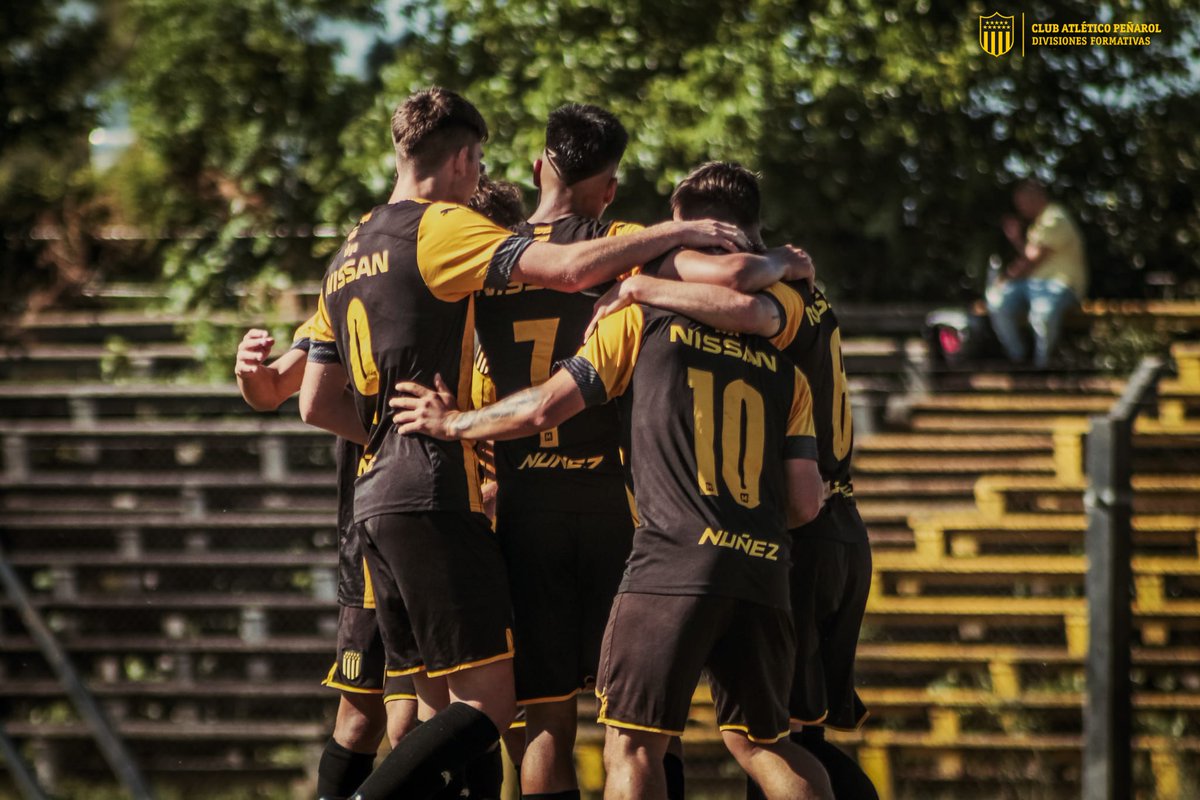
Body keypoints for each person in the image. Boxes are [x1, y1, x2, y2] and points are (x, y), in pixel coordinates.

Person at [297, 86, 750, 800]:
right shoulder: (512, 237)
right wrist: (688, 237)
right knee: (634, 729)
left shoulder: (357, 248)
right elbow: (600, 279)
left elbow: (310, 398)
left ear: (539, 166)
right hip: (601, 507)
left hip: (482, 504)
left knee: (509, 719)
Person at [389, 270, 833, 800]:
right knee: (765, 744)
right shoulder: (786, 366)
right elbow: (806, 503)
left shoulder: (639, 317)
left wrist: (452, 424)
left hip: (647, 554)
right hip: (759, 562)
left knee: (611, 738)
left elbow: (542, 407)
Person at [587, 161, 879, 799]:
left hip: (802, 526)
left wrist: (643, 287)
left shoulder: (776, 294)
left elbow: (742, 294)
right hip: (825, 526)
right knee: (778, 740)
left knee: (768, 743)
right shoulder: (810, 297)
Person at [234, 322, 415, 799]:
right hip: (372, 530)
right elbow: (270, 390)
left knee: (427, 720)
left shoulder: (461, 274)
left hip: (450, 514)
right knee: (359, 718)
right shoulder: (342, 288)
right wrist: (248, 371)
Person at [986, 179, 1088, 368]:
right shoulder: (1038, 224)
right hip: (1034, 284)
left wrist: (1007, 277)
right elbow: (1029, 257)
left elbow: (1032, 260)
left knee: (1042, 313)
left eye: (1021, 203)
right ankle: (1019, 359)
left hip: (1061, 285)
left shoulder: (1054, 218)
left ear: (1035, 198)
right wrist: (1017, 239)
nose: (1020, 209)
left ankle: (1043, 366)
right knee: (997, 302)